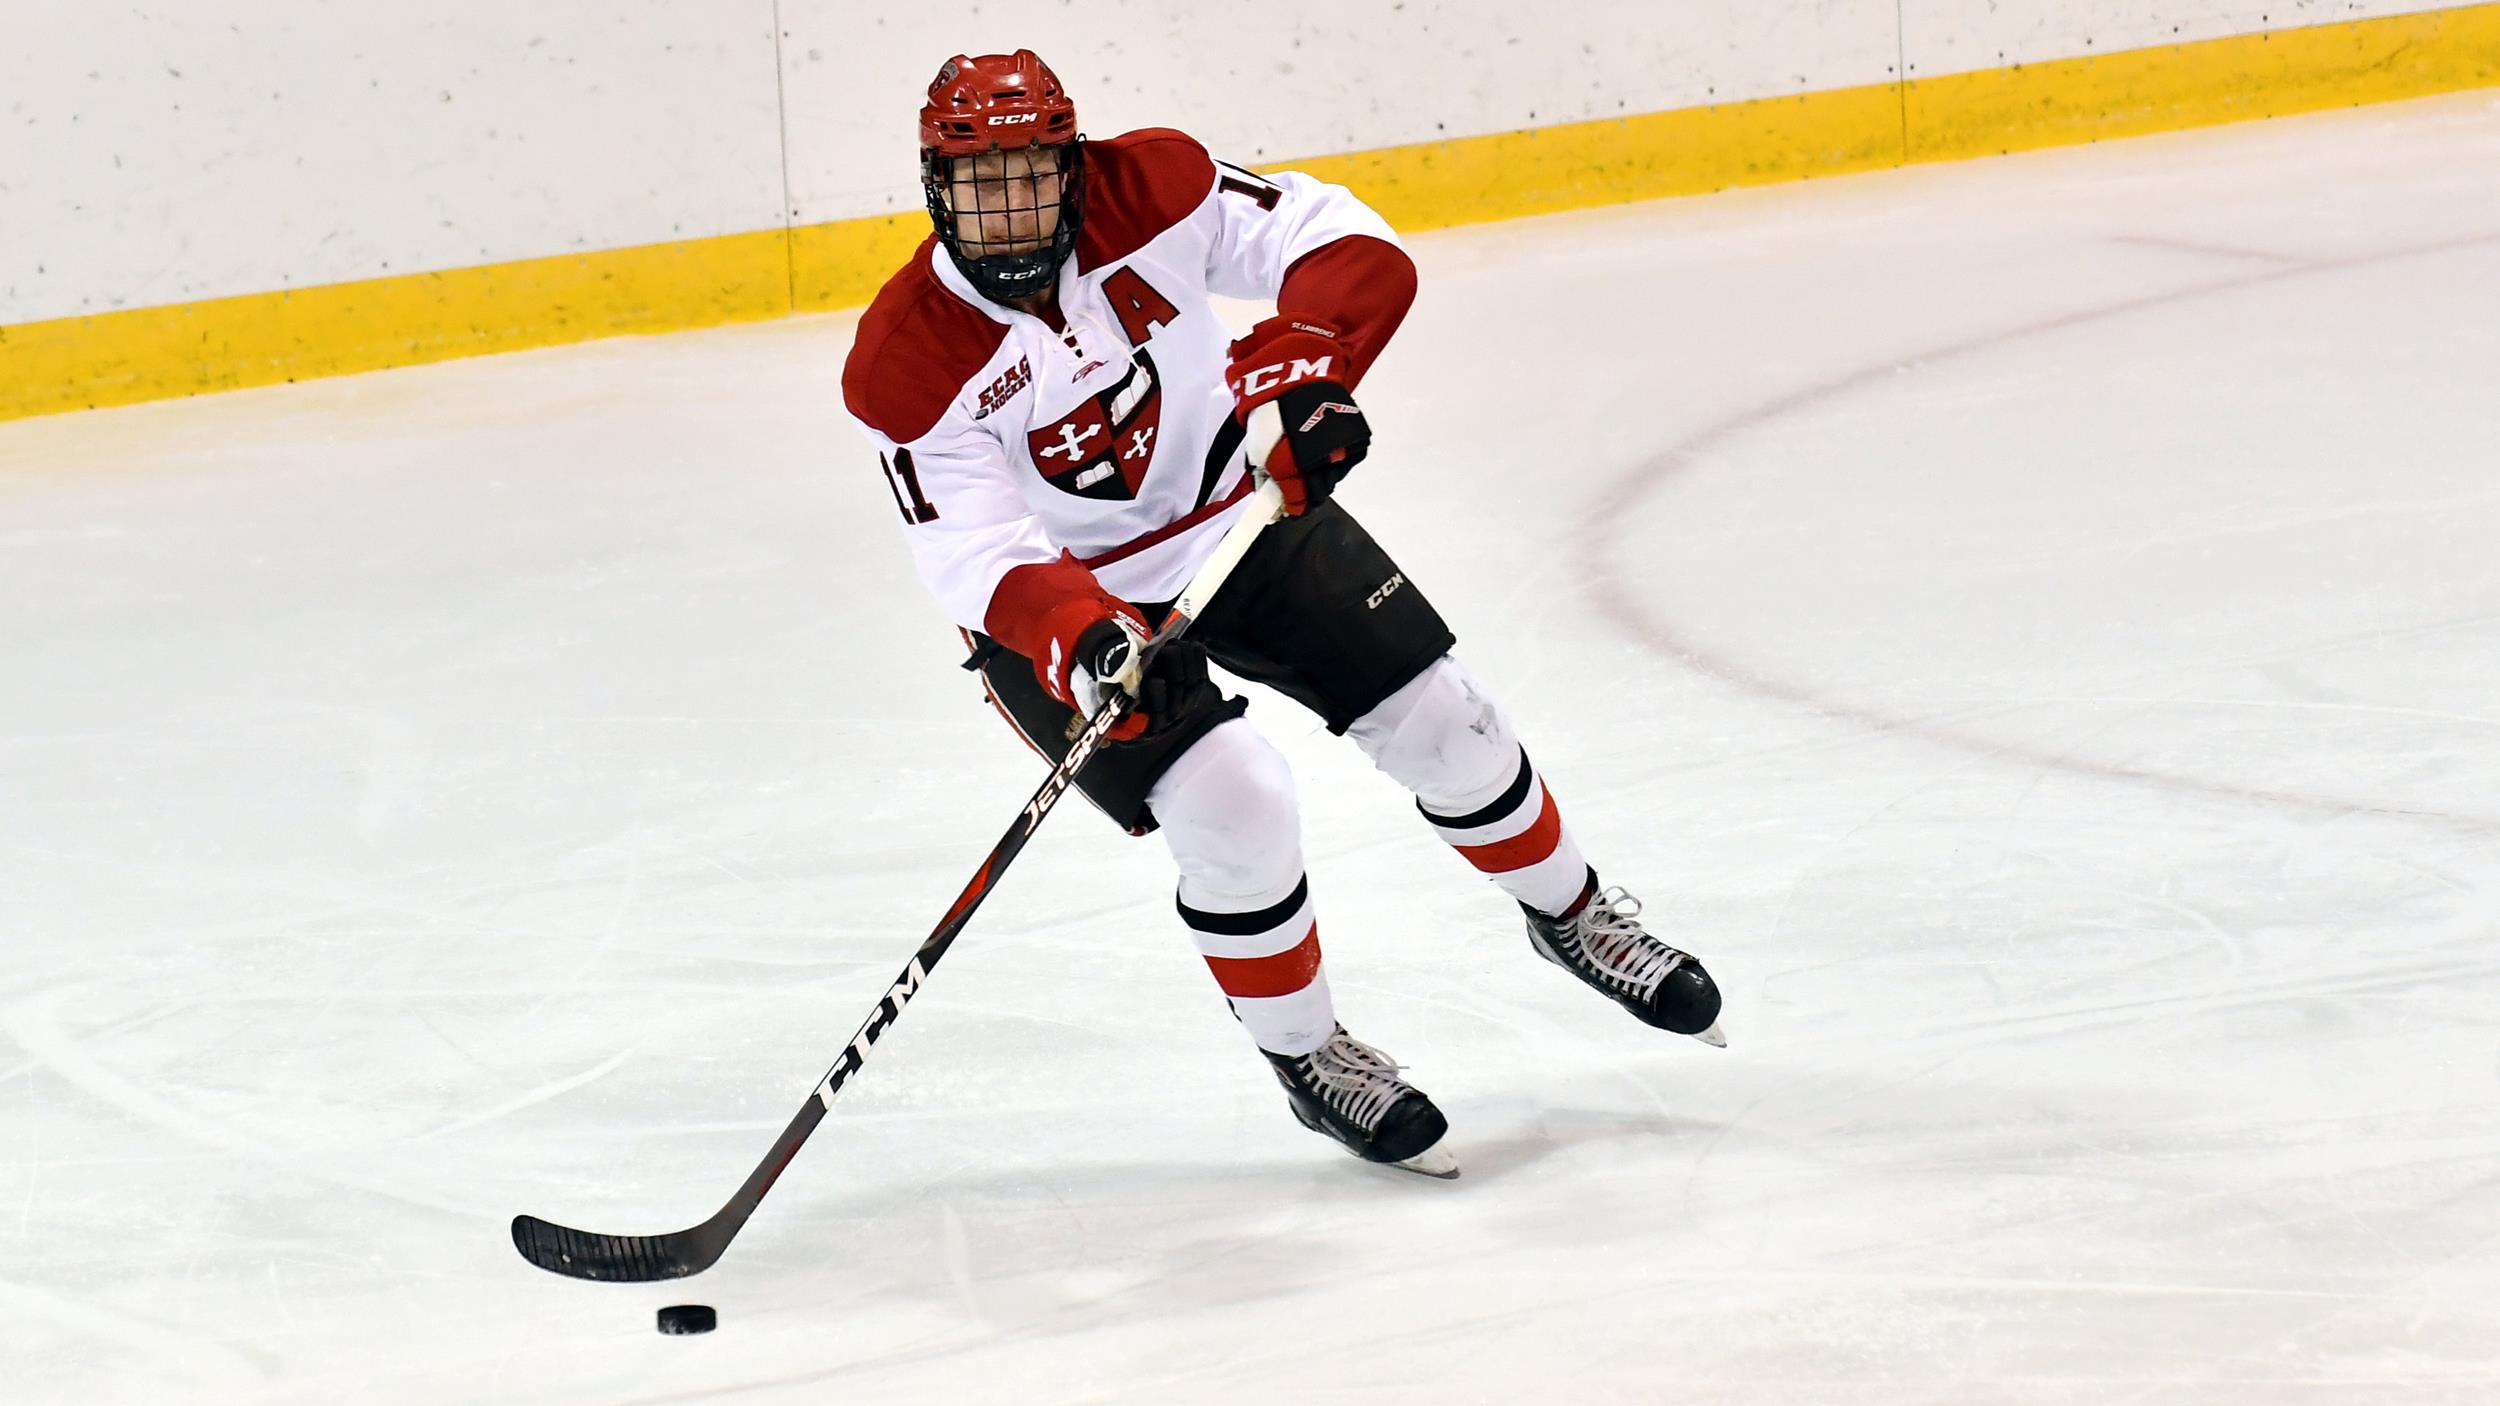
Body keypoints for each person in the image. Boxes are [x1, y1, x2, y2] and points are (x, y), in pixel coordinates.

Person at [841, 50, 1723, 1177]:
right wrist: (1083, 635)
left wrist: (1315, 363)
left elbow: (1340, 238)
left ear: (1072, 164)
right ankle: (1310, 1058)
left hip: (1236, 513)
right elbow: (975, 552)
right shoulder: (905, 362)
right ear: (932, 187)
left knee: (1445, 721)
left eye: (1031, 173)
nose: (1010, 205)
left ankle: (1577, 915)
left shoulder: (1151, 187)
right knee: (1235, 801)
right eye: (980, 180)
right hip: (1069, 601)